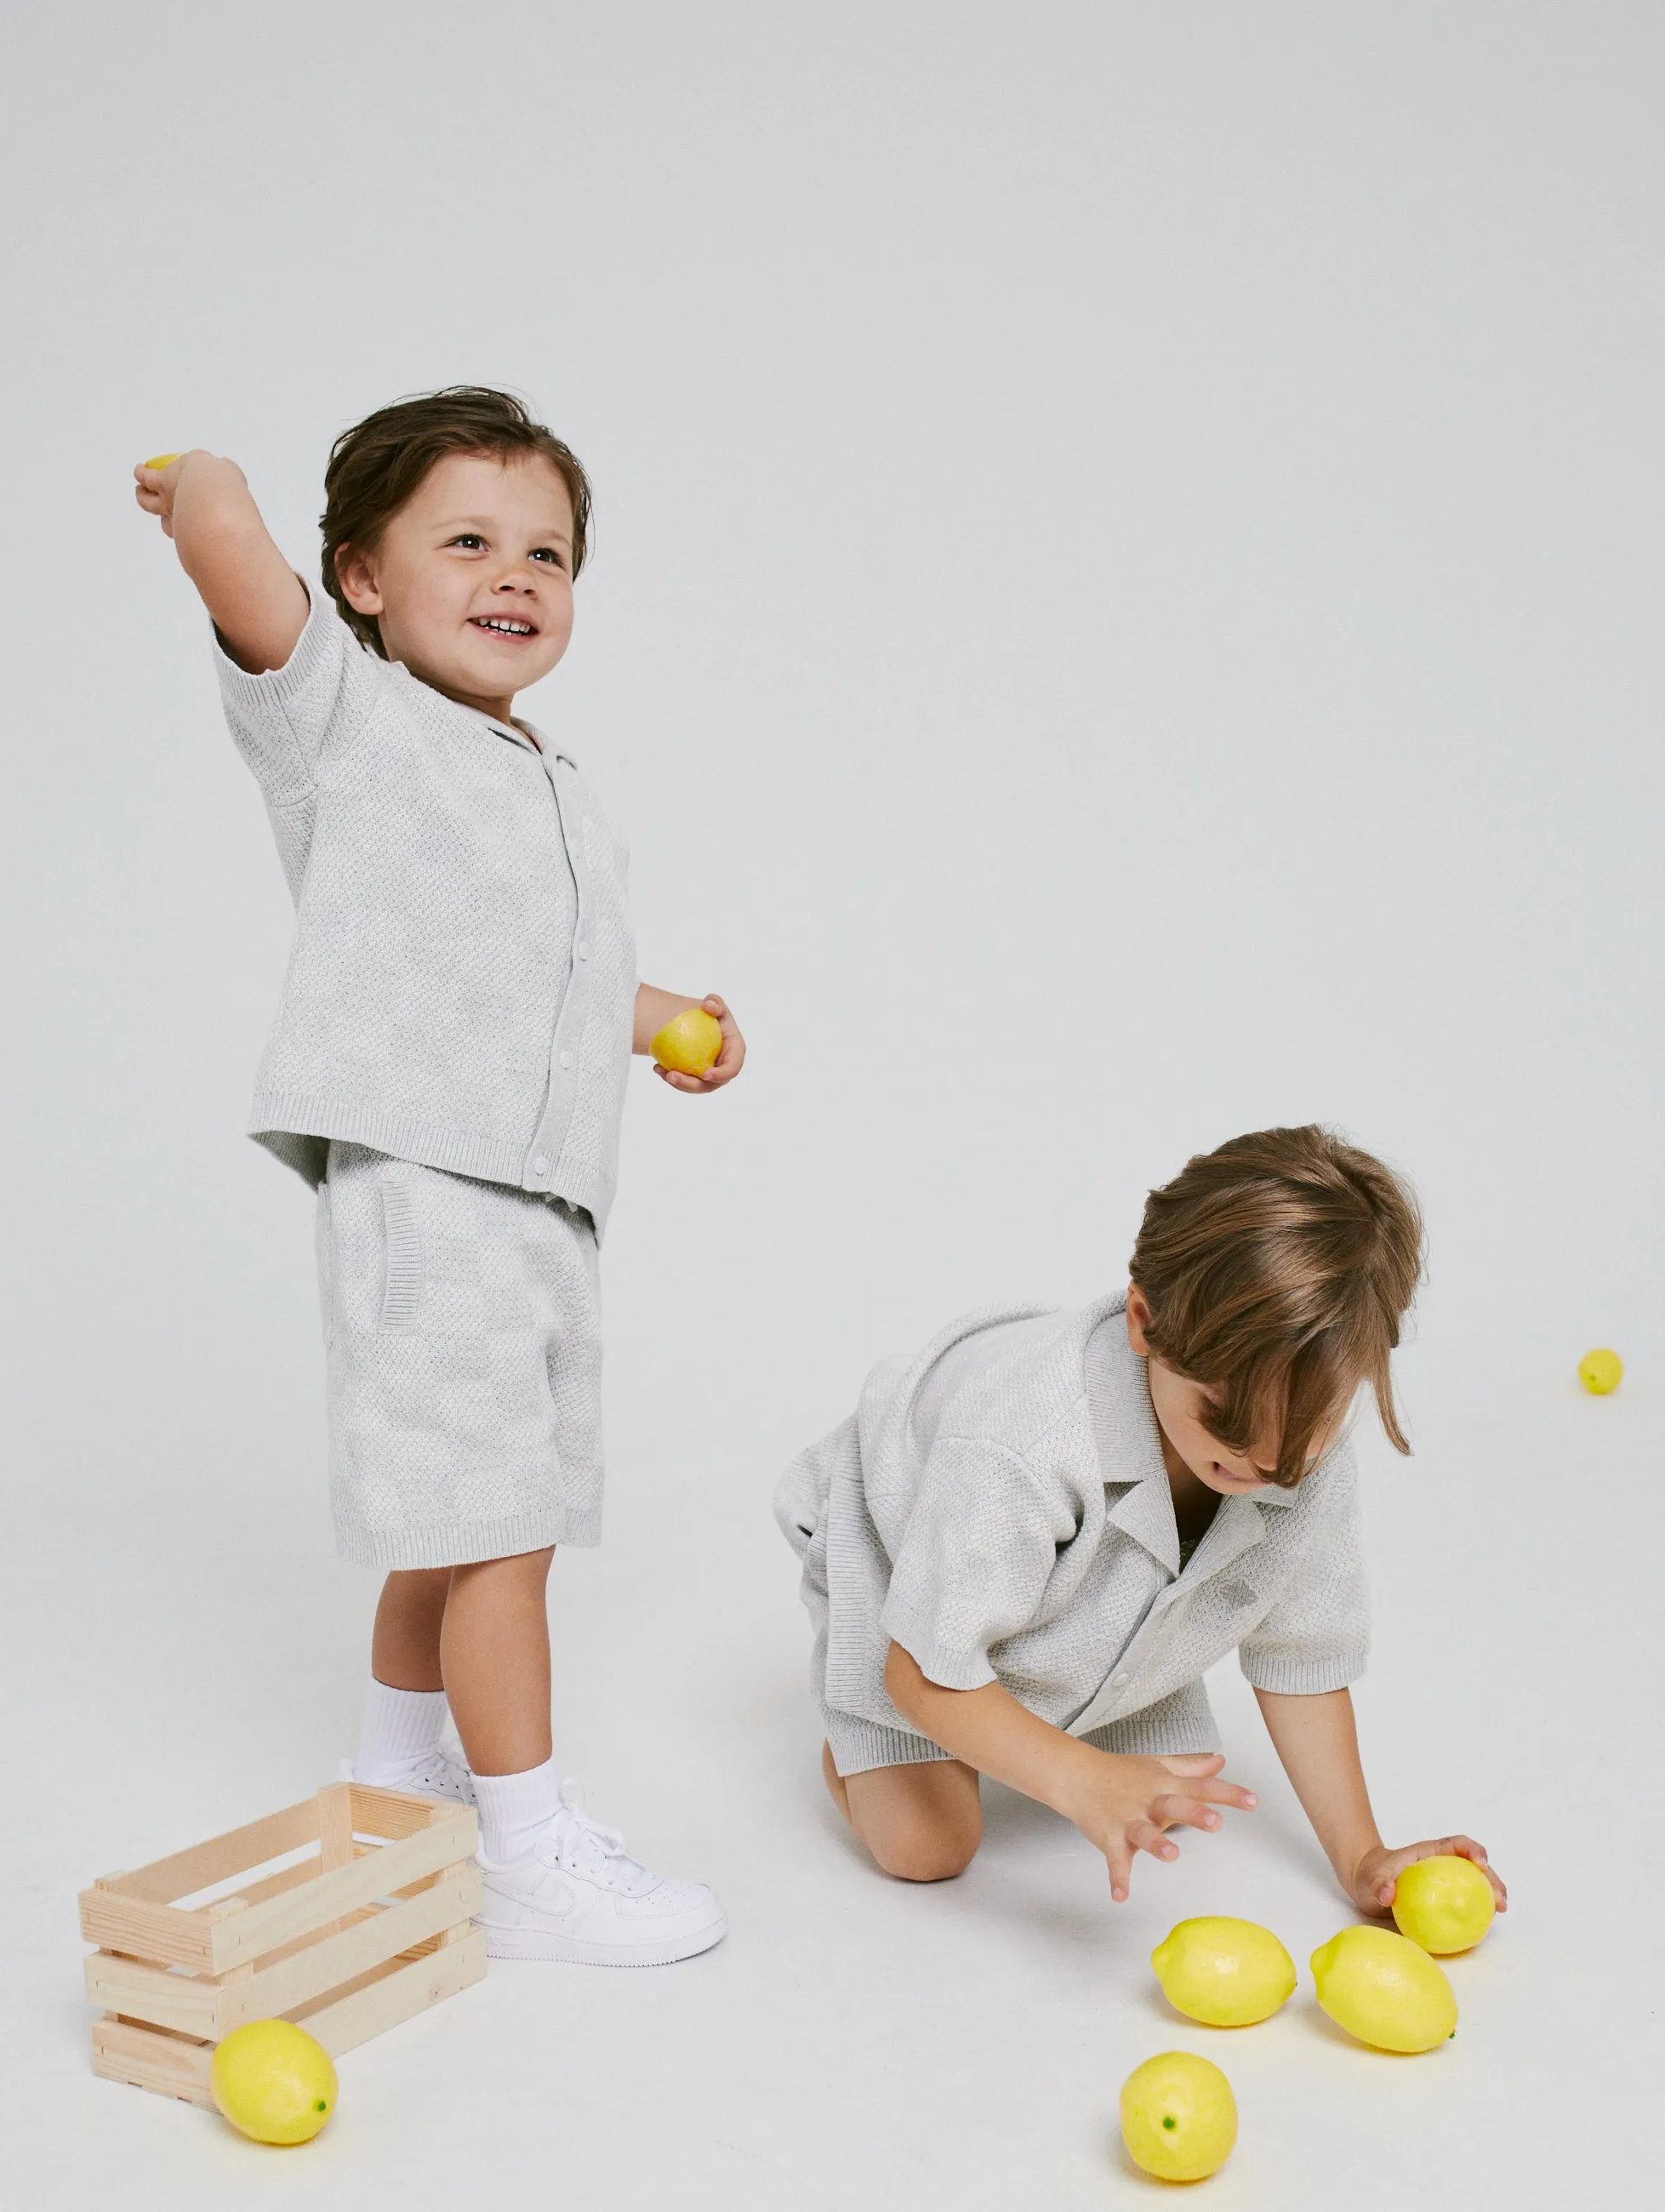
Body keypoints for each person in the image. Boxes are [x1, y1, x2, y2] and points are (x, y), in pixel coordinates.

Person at [134, 386, 744, 1966]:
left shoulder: (539, 776)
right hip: (430, 1191)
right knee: (507, 1527)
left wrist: (658, 1015)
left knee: (457, 1512)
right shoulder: (351, 724)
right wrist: (203, 487)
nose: (515, 574)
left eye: (547, 551)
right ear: (361, 579)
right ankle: (530, 1841)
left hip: (532, 1201)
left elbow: (528, 973)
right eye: (465, 540)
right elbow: (237, 574)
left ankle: (398, 1779)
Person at [775, 1126, 1507, 1920]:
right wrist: (1077, 1777)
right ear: (1142, 1321)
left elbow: (1303, 1654)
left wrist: (1364, 1856)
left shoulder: (1294, 1440)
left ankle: (1041, 1687)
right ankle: (859, 1742)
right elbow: (919, 1673)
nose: (1260, 1459)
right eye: (1223, 1415)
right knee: (927, 1848)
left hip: (1062, 1565)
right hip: (910, 1536)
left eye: (1297, 1437)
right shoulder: (1023, 1442)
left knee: (1176, 1780)